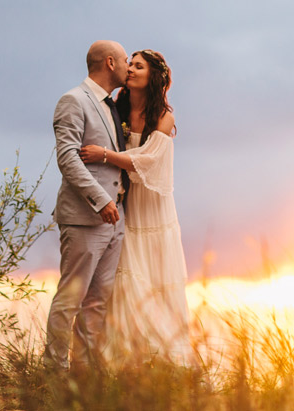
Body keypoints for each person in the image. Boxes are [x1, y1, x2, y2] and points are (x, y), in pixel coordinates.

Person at [78, 49, 194, 366]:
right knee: (126, 282)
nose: (130, 69)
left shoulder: (164, 117)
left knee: (155, 283)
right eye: (129, 63)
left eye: (138, 66)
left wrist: (104, 155)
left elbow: (149, 162)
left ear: (153, 76)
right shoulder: (119, 110)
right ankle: (128, 364)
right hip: (127, 209)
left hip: (154, 211)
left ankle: (167, 363)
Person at [44, 40, 130, 371]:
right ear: (109, 62)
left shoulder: (111, 106)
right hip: (84, 217)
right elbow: (67, 157)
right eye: (124, 60)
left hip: (115, 220)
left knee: (97, 302)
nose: (127, 65)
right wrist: (100, 199)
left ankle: (87, 375)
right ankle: (54, 373)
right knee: (70, 299)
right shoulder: (73, 101)